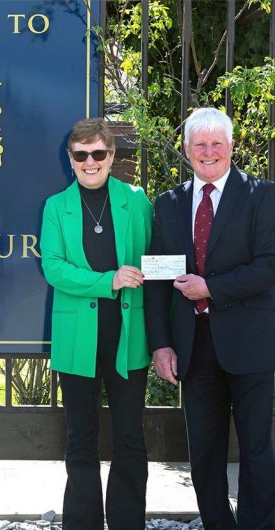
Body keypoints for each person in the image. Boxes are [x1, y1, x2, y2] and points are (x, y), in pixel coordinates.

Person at [145, 107, 275, 529]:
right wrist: (161, 344)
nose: (208, 151)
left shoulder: (264, 196)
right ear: (186, 150)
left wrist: (212, 288)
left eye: (217, 143)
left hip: (250, 343)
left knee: (256, 449)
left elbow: (269, 266)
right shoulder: (167, 204)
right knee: (204, 450)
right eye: (199, 144)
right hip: (193, 345)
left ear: (232, 147)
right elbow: (158, 281)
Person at [40, 118, 152, 529]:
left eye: (98, 154)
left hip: (129, 338)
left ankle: (126, 523)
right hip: (77, 341)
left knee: (129, 438)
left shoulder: (136, 201)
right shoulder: (56, 207)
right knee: (81, 440)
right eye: (81, 155)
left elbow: (154, 257)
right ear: (70, 160)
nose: (91, 162)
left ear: (112, 156)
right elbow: (54, 268)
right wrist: (109, 281)